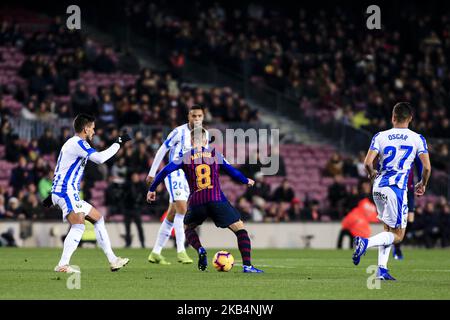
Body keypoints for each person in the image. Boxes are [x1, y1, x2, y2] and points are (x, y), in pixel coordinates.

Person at [147, 127, 263, 273]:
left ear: (190, 141)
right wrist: (246, 180)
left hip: (197, 202)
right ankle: (247, 266)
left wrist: (152, 189)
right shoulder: (215, 155)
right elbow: (232, 172)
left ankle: (200, 249)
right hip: (216, 199)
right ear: (205, 140)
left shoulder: (185, 156)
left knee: (188, 229)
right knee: (240, 229)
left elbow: (164, 171)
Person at [42, 113, 131, 273]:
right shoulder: (78, 143)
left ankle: (113, 260)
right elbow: (100, 159)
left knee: (98, 218)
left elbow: (62, 167)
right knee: (78, 226)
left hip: (64, 191)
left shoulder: (71, 144)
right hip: (66, 191)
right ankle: (63, 264)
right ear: (86, 128)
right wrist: (118, 142)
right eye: (93, 128)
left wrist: (52, 196)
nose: (94, 132)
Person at [352, 102, 431, 280]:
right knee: (398, 236)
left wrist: (372, 174)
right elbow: (426, 168)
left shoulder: (380, 136)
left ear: (393, 117)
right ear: (410, 118)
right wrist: (422, 183)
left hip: (378, 186)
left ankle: (381, 269)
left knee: (388, 229)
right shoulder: (417, 138)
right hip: (396, 189)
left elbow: (367, 163)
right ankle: (366, 242)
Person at [145, 105, 206, 265]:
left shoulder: (203, 135)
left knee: (172, 213)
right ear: (188, 117)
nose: (197, 119)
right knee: (182, 209)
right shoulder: (178, 132)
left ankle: (156, 252)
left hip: (189, 175)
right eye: (194, 116)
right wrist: (152, 173)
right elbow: (162, 150)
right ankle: (181, 251)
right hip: (174, 172)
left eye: (200, 116)